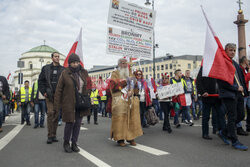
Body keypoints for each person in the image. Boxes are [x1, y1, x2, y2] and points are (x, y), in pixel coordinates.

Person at [54, 53, 91, 153]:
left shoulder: (84, 72)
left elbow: (89, 85)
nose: (76, 64)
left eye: (77, 62)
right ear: (69, 63)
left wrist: (87, 94)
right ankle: (66, 143)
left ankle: (74, 143)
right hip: (69, 102)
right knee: (70, 123)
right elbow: (59, 89)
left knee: (78, 123)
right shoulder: (65, 73)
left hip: (80, 102)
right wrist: (57, 104)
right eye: (73, 63)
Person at [217, 43, 248, 151]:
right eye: (230, 50)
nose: (233, 52)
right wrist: (236, 88)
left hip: (239, 94)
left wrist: (244, 90)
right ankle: (234, 141)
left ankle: (224, 131)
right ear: (225, 51)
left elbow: (241, 79)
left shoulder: (235, 63)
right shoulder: (223, 64)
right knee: (232, 116)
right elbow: (222, 82)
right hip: (228, 94)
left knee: (241, 115)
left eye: (234, 50)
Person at [110, 58, 143, 147]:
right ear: (119, 64)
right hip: (119, 99)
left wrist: (132, 89)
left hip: (129, 98)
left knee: (132, 117)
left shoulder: (130, 73)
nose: (124, 65)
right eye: (122, 63)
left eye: (125, 63)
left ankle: (130, 137)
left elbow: (135, 85)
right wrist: (125, 82)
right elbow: (113, 86)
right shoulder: (115, 73)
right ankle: (120, 138)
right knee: (120, 118)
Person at [38, 52, 64, 144]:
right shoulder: (46, 68)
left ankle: (54, 135)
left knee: (56, 115)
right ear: (52, 58)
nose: (57, 58)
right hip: (48, 95)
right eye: (55, 56)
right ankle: (49, 135)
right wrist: (44, 92)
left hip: (58, 96)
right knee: (50, 113)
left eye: (58, 57)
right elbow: (40, 81)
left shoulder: (63, 69)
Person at [196, 67, 225, 140]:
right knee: (206, 116)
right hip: (207, 97)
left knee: (221, 115)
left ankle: (222, 132)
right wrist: (202, 92)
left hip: (218, 98)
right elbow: (198, 81)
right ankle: (205, 133)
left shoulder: (218, 67)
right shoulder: (204, 68)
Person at [239, 56, 250, 133]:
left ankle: (248, 126)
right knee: (241, 111)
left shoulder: (246, 70)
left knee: (249, 110)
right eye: (247, 61)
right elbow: (245, 80)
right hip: (244, 93)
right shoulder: (241, 69)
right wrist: (249, 73)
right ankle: (238, 127)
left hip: (248, 92)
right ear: (244, 61)